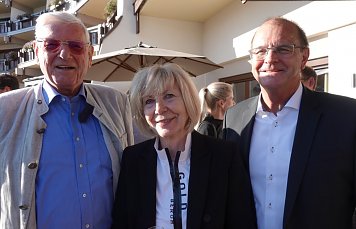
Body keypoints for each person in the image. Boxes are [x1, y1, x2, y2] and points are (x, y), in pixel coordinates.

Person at [0, 12, 134, 229]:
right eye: (52, 45)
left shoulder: (116, 103)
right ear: (36, 50)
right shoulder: (5, 110)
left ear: (89, 55)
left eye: (75, 46)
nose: (64, 54)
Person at [223, 17, 356, 229]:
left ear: (304, 57)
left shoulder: (346, 116)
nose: (270, 58)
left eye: (283, 49)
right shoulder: (234, 118)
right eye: (260, 51)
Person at [112, 63, 256, 229]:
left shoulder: (223, 155)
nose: (159, 109)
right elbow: (121, 222)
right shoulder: (133, 158)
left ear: (188, 100)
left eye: (169, 96)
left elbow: (242, 221)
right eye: (149, 101)